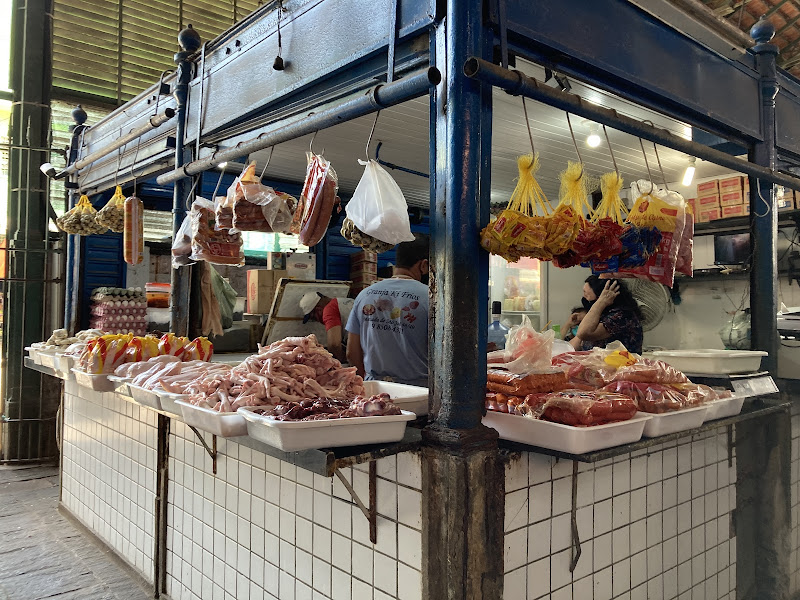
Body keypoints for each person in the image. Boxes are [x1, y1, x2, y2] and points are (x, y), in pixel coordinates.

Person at [346, 234, 429, 387]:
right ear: (423, 265)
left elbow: (351, 352)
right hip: (419, 393)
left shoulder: (364, 295)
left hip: (375, 392)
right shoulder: (430, 297)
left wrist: (370, 382)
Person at [570, 275, 643, 353]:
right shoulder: (602, 314)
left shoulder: (622, 316)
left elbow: (583, 333)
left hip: (619, 364)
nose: (584, 298)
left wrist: (601, 302)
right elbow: (573, 345)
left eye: (587, 294)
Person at [299, 292, 354, 363]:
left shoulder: (330, 309)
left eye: (314, 318)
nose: (319, 321)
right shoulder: (346, 301)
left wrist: (338, 365)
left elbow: (334, 345)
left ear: (318, 310)